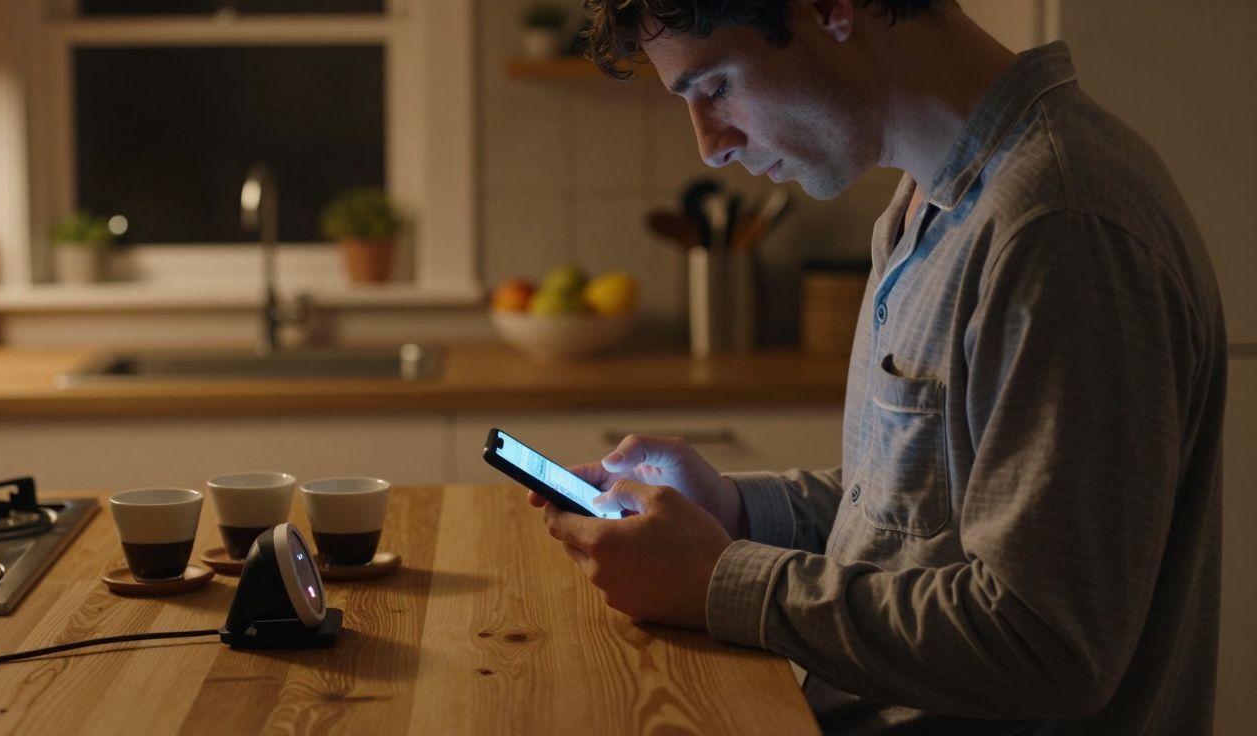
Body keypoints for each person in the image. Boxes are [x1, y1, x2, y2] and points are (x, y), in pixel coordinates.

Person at [524, 0, 1228, 733]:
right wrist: (733, 514)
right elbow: (925, 512)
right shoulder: (924, 203)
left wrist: (717, 583)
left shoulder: (1059, 229)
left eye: (716, 87)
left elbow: (1047, 645)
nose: (710, 146)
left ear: (831, 9)